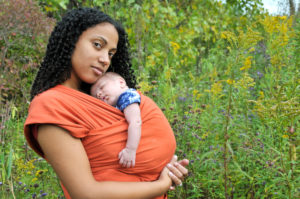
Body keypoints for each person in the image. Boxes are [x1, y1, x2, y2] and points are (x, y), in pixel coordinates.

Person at [24, 7, 189, 199]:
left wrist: (167, 168)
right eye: (97, 45)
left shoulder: (106, 99)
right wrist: (161, 184)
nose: (105, 60)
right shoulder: (51, 106)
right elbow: (86, 193)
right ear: (71, 40)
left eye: (111, 54)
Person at [91, 72, 142, 168]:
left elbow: (136, 122)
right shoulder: (119, 103)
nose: (99, 93)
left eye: (101, 87)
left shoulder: (127, 96)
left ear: (121, 83)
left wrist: (130, 150)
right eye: (96, 96)